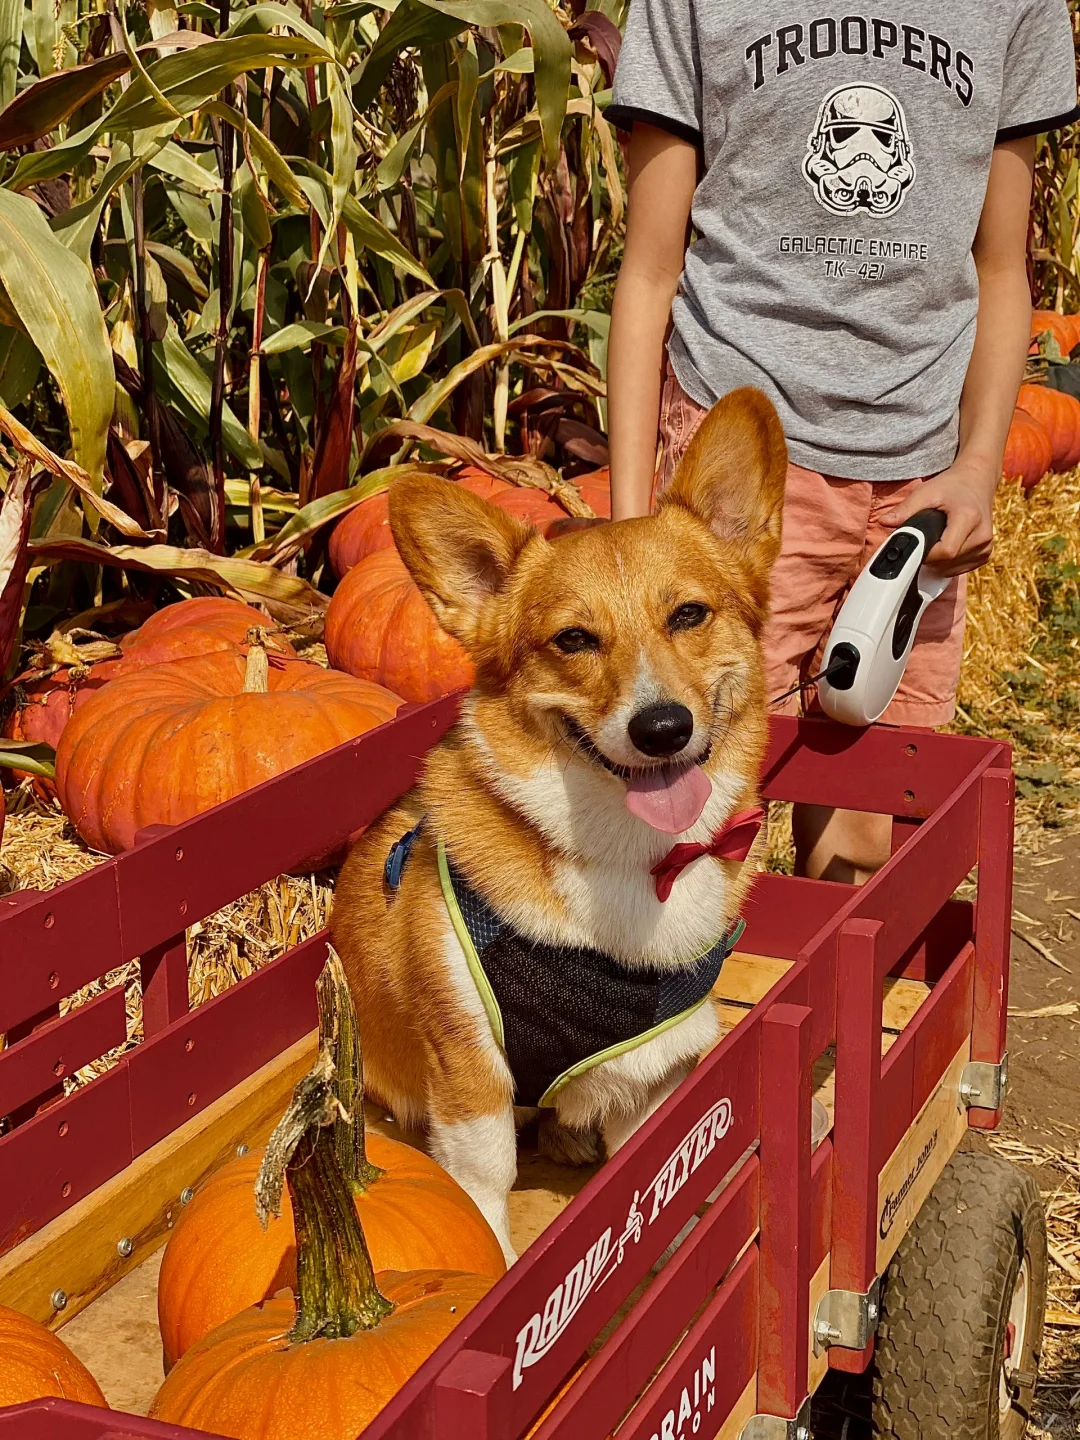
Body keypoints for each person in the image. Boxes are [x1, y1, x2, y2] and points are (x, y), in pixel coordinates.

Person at [605, 2, 1080, 883]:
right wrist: (632, 534)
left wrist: (976, 468)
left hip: (920, 480)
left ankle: (832, 1024)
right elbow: (650, 268)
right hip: (736, 469)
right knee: (691, 819)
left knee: (866, 828)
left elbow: (1002, 266)